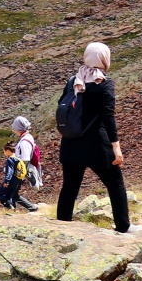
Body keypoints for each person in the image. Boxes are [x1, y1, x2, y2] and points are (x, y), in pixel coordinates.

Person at [55, 42, 129, 233]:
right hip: (97, 144)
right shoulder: (104, 83)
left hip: (71, 142)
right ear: (104, 58)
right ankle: (123, 226)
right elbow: (108, 115)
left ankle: (61, 227)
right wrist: (116, 146)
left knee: (69, 188)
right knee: (115, 184)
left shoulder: (74, 81)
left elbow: (61, 106)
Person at [0, 116, 40, 211]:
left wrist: (12, 170)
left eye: (15, 128)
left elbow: (25, 159)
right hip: (20, 172)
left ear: (19, 128)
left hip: (18, 173)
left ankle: (15, 210)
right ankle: (30, 208)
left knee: (8, 193)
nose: (14, 130)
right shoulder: (28, 137)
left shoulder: (24, 142)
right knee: (13, 194)